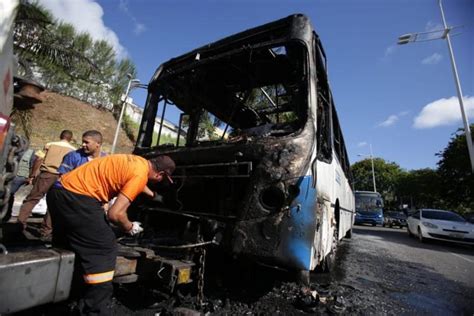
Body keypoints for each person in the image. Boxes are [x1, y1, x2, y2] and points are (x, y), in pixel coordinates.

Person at [47, 154, 175, 315]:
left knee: (70, 245)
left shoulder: (136, 162)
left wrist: (154, 196)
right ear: (160, 174)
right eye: (161, 180)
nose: (158, 183)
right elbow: (115, 214)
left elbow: (136, 182)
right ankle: (94, 308)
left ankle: (59, 294)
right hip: (78, 198)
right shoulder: (140, 175)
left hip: (58, 193)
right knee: (105, 247)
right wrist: (130, 227)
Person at [16, 130, 75, 232]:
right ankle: (46, 230)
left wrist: (32, 174)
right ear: (71, 139)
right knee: (54, 204)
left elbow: (39, 159)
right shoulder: (73, 150)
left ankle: (20, 224)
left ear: (60, 136)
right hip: (62, 178)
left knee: (32, 199)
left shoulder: (49, 144)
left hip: (46, 175)